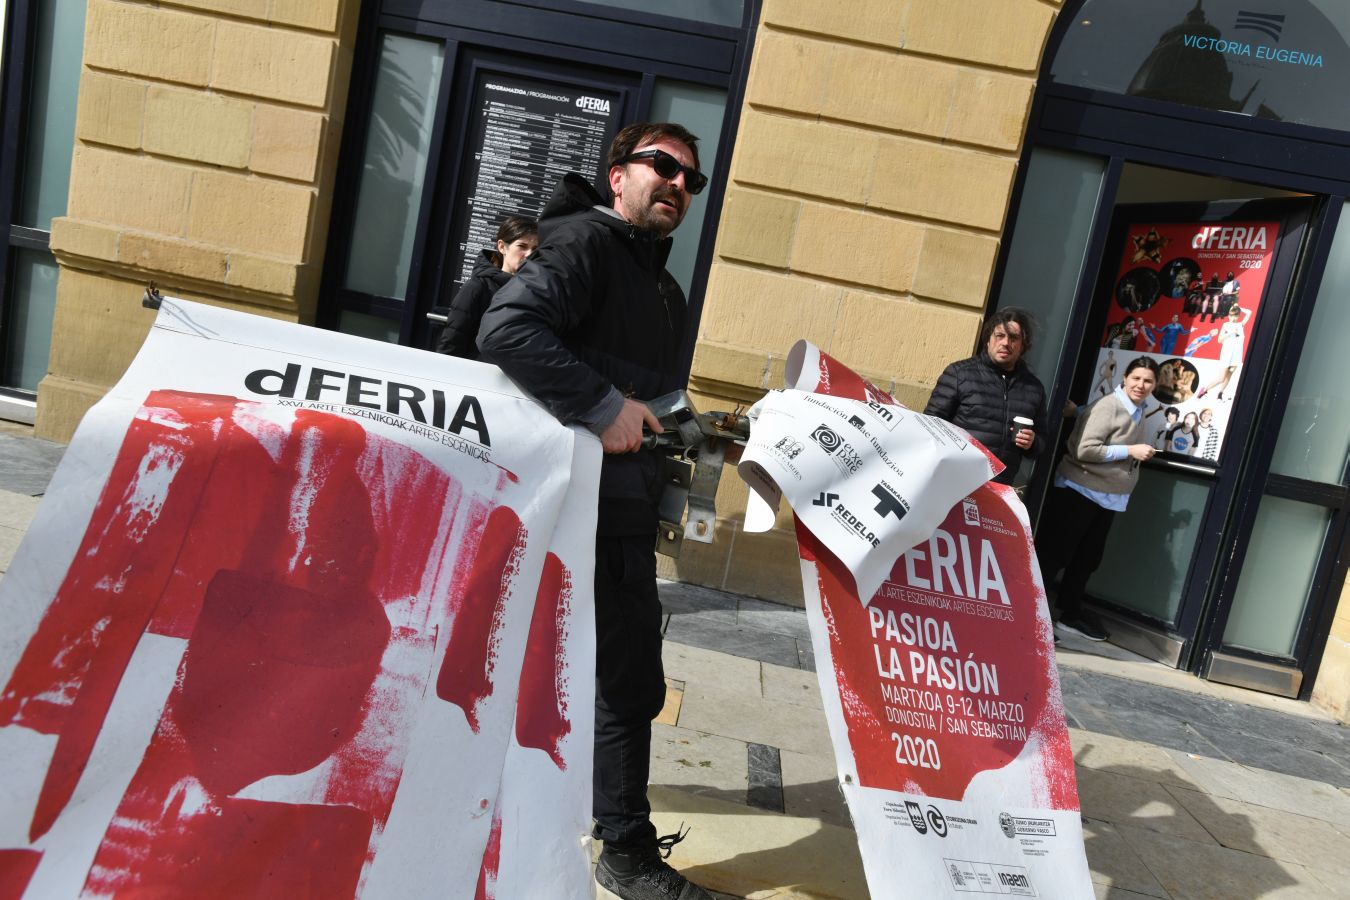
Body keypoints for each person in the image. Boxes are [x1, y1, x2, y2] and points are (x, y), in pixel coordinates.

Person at [477, 122, 714, 900]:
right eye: (662, 165)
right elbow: (506, 329)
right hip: (572, 510)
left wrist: (686, 427)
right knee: (621, 678)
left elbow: (638, 394)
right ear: (619, 175)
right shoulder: (585, 243)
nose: (677, 183)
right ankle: (625, 852)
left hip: (621, 510)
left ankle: (581, 827)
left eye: (690, 179)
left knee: (611, 676)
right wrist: (605, 404)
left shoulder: (663, 287)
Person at [1036, 357, 1160, 642]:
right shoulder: (1109, 406)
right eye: (1136, 378)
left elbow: (1091, 419)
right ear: (1124, 378)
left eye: (1148, 381)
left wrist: (1078, 411)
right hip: (1080, 489)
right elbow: (1085, 449)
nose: (1141, 385)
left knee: (1087, 558)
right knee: (1055, 555)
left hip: (1107, 495)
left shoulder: (1138, 409)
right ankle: (1031, 616)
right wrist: (1129, 451)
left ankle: (1069, 614)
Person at [924, 308, 1048, 487]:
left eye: (1013, 338)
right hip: (953, 479)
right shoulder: (960, 373)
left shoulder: (1033, 389)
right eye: (1000, 335)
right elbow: (930, 425)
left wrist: (1033, 442)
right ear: (988, 340)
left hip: (998, 486)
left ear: (1023, 345)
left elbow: (1042, 441)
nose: (1006, 343)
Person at [436, 216, 539, 359]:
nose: (529, 254)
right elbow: (451, 344)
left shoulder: (536, 292)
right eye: (522, 246)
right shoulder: (477, 287)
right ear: (502, 247)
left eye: (535, 249)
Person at [1196, 305, 1252, 401]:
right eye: (1231, 315)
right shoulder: (1226, 325)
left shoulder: (1241, 325)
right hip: (1227, 354)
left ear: (1238, 316)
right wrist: (1231, 333)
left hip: (1236, 355)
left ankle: (1220, 393)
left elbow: (1249, 312)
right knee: (1221, 378)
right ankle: (1204, 390)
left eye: (1235, 315)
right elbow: (1219, 340)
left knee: (1229, 375)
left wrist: (1238, 307)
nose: (1233, 318)